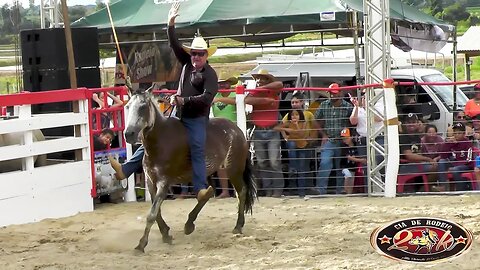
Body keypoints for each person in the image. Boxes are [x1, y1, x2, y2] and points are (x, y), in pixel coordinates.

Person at [110, 3, 218, 202]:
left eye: (200, 54)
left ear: (206, 56)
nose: (196, 56)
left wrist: (182, 99)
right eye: (194, 53)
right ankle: (126, 169)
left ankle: (201, 188)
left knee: (196, 146)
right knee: (152, 137)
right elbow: (174, 44)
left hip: (196, 118)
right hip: (179, 114)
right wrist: (170, 23)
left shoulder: (210, 75)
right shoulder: (186, 62)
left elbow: (207, 98)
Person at [244, 69, 284, 197]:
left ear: (268, 80)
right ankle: (268, 190)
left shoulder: (273, 90)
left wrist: (262, 91)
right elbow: (247, 100)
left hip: (272, 131)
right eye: (257, 79)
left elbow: (280, 85)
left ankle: (277, 189)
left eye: (262, 78)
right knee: (262, 162)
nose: (259, 81)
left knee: (274, 161)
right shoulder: (254, 92)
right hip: (258, 131)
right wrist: (265, 100)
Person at [314, 83, 353, 195]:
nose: (333, 96)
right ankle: (321, 189)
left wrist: (349, 136)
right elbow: (315, 120)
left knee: (340, 165)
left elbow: (354, 122)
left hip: (343, 141)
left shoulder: (348, 106)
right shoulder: (324, 105)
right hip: (330, 139)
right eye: (331, 94)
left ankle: (339, 190)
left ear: (340, 93)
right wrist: (323, 134)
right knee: (325, 163)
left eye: (335, 94)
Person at [280, 92, 316, 194]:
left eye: (296, 102)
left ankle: (301, 191)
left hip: (305, 143)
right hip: (293, 142)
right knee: (295, 166)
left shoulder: (308, 114)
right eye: (292, 102)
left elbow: (314, 127)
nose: (294, 104)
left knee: (303, 166)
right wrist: (285, 137)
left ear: (302, 102)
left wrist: (311, 137)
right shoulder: (289, 115)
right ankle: (294, 190)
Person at [211, 74, 238, 198]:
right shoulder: (215, 96)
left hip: (234, 132)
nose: (222, 85)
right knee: (221, 163)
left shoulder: (234, 94)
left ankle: (236, 189)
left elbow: (237, 102)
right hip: (218, 133)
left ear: (230, 83)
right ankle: (225, 191)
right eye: (220, 83)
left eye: (225, 83)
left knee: (235, 162)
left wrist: (218, 100)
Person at [398, 113, 440, 192]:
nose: (411, 124)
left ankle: (425, 188)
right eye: (409, 122)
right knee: (435, 167)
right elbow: (409, 156)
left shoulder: (417, 138)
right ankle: (425, 189)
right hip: (405, 166)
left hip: (416, 164)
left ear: (418, 123)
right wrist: (428, 159)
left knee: (438, 165)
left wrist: (428, 160)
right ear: (405, 124)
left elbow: (419, 154)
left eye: (413, 122)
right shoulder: (403, 137)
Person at [274, 109, 310, 197]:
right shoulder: (288, 123)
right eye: (292, 115)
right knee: (291, 144)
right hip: (292, 146)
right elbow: (276, 128)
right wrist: (286, 132)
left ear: (300, 115)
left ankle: (302, 192)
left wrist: (296, 126)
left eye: (296, 114)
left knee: (302, 170)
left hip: (302, 146)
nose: (294, 116)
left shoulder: (303, 123)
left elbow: (301, 134)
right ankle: (292, 190)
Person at [438, 123, 474, 191]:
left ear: (464, 134)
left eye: (459, 133)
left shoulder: (468, 143)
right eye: (455, 133)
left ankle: (461, 190)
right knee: (441, 162)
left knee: (455, 169)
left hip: (466, 165)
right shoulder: (452, 142)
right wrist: (448, 144)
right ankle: (442, 186)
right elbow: (443, 156)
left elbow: (469, 160)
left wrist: (455, 166)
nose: (456, 135)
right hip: (454, 163)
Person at [339, 128, 366, 194]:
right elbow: (349, 157)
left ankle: (349, 194)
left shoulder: (356, 145)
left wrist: (358, 159)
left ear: (351, 137)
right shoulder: (343, 147)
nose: (344, 140)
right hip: (345, 166)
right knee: (348, 175)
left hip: (353, 167)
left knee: (352, 181)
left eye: (346, 138)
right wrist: (361, 160)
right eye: (343, 139)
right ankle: (345, 190)